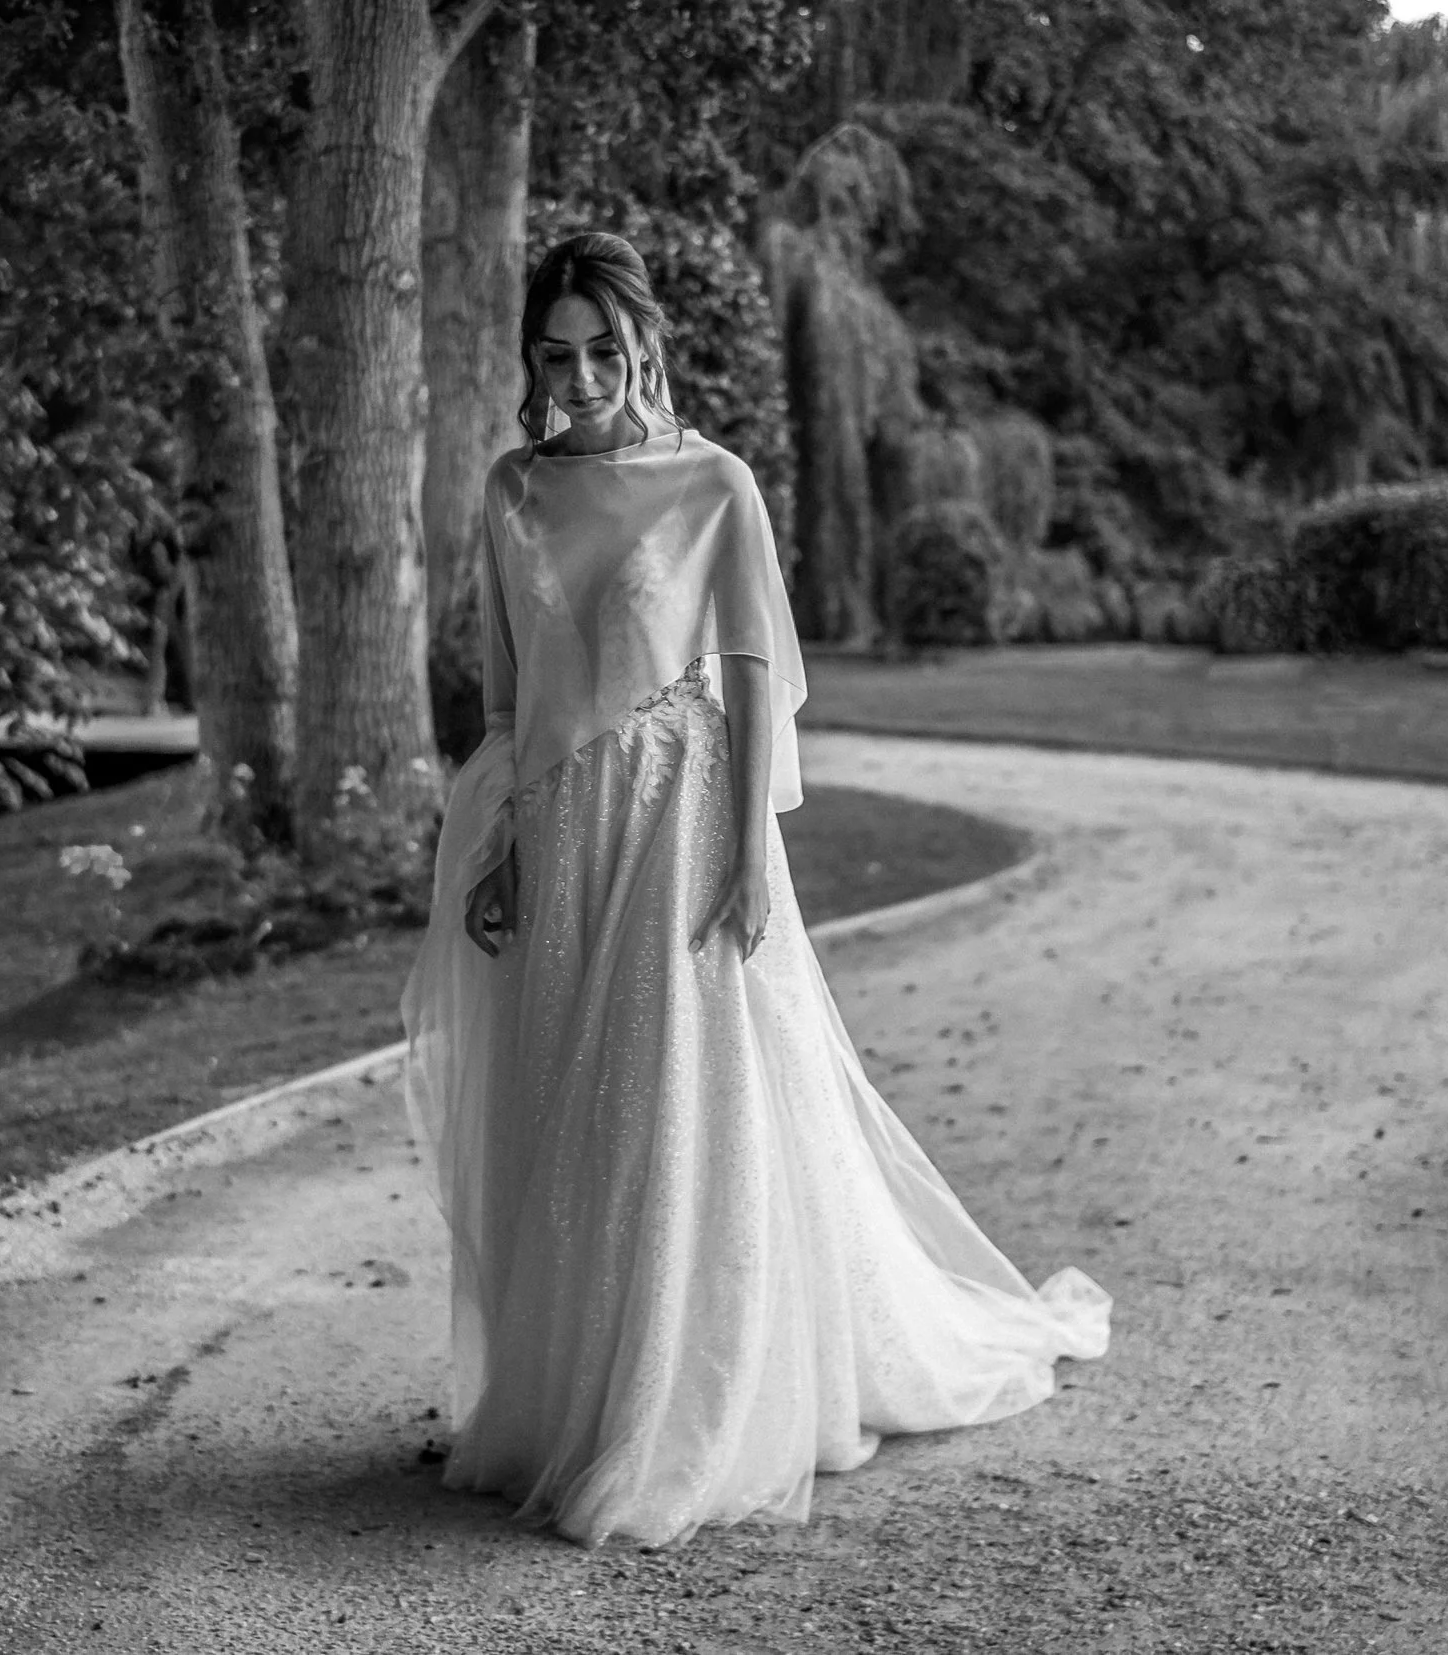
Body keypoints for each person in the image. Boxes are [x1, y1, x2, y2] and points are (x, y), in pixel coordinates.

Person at [401, 232, 1110, 1549]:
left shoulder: (715, 485)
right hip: (556, 835)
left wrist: (741, 864)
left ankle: (670, 1409)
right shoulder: (509, 491)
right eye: (556, 354)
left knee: (663, 1109)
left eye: (603, 350)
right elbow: (505, 699)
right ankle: (567, 1398)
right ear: (531, 360)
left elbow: (747, 689)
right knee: (566, 1116)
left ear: (642, 348)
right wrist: (495, 848)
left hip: (678, 827)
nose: (581, 374)